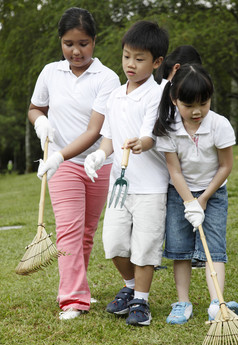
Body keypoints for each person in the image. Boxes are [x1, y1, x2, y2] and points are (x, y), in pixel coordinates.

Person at [28, 7, 120, 321]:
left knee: (86, 232)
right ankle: (73, 299)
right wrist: (40, 122)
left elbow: (95, 130)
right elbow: (35, 107)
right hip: (62, 166)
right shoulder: (50, 72)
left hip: (97, 162)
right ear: (61, 42)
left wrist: (58, 155)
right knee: (68, 229)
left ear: (94, 42)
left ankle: (78, 289)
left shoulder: (107, 78)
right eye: (68, 43)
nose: (75, 51)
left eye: (83, 43)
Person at [84, 20, 169, 326]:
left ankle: (141, 303)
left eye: (139, 58)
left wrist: (140, 143)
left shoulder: (158, 94)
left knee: (145, 247)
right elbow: (109, 137)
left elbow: (149, 137)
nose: (130, 64)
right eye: (126, 56)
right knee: (115, 243)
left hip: (151, 186)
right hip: (120, 185)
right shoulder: (115, 95)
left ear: (157, 62)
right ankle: (130, 287)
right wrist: (98, 155)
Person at [153, 63, 238, 324]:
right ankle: (182, 302)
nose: (197, 111)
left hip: (213, 194)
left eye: (204, 102)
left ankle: (217, 303)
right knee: (179, 249)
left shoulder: (219, 125)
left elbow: (226, 166)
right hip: (180, 193)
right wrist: (189, 201)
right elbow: (174, 170)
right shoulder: (169, 128)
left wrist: (202, 200)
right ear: (174, 99)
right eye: (189, 105)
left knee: (214, 247)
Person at [155, 45, 205, 270]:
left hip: (172, 162)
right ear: (177, 68)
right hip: (168, 161)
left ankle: (190, 252)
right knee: (176, 209)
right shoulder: (164, 92)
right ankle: (186, 253)